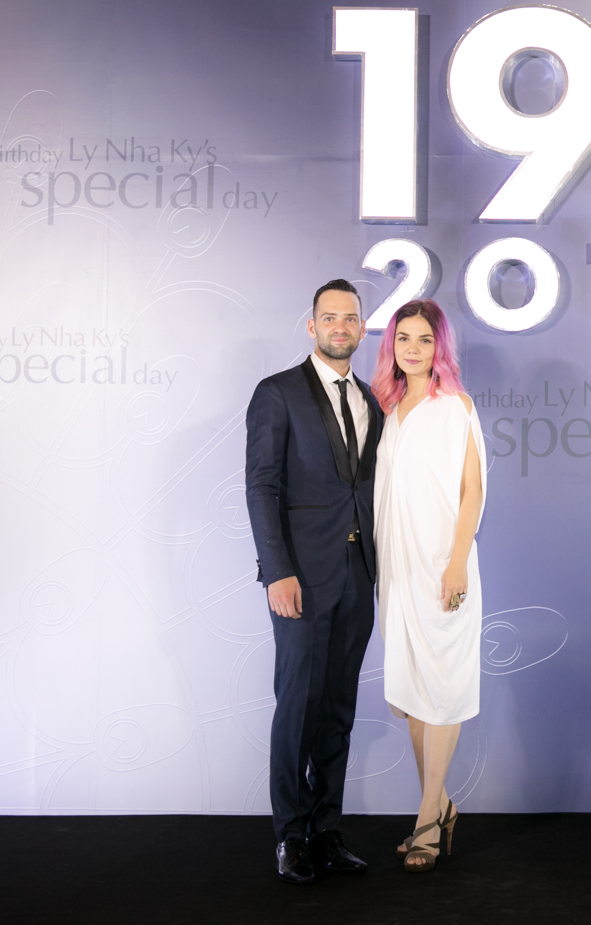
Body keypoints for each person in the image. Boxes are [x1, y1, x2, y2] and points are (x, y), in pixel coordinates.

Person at [244, 279, 384, 885]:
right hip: (299, 577)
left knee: (338, 710)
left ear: (361, 328)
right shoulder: (277, 393)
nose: (340, 327)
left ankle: (326, 830)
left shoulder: (372, 400)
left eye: (350, 318)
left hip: (358, 574)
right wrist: (276, 570)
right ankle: (291, 835)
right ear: (312, 326)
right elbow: (261, 486)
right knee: (298, 706)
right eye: (329, 318)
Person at [370, 298, 486, 873]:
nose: (412, 349)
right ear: (391, 345)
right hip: (397, 573)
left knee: (441, 688)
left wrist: (457, 562)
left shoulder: (455, 406)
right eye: (403, 338)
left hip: (443, 569)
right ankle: (440, 807)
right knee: (414, 691)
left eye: (423, 339)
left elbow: (472, 490)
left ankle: (426, 820)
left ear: (439, 346)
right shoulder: (388, 410)